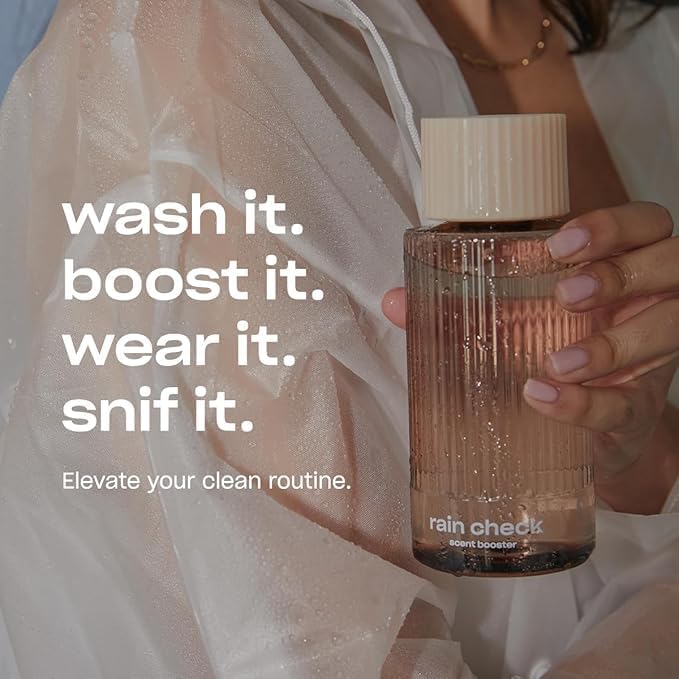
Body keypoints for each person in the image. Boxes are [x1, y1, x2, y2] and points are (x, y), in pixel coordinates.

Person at [0, 1, 677, 678]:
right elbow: (305, 649)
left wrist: (634, 452)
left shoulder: (654, 43)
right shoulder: (189, 41)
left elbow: (638, 475)